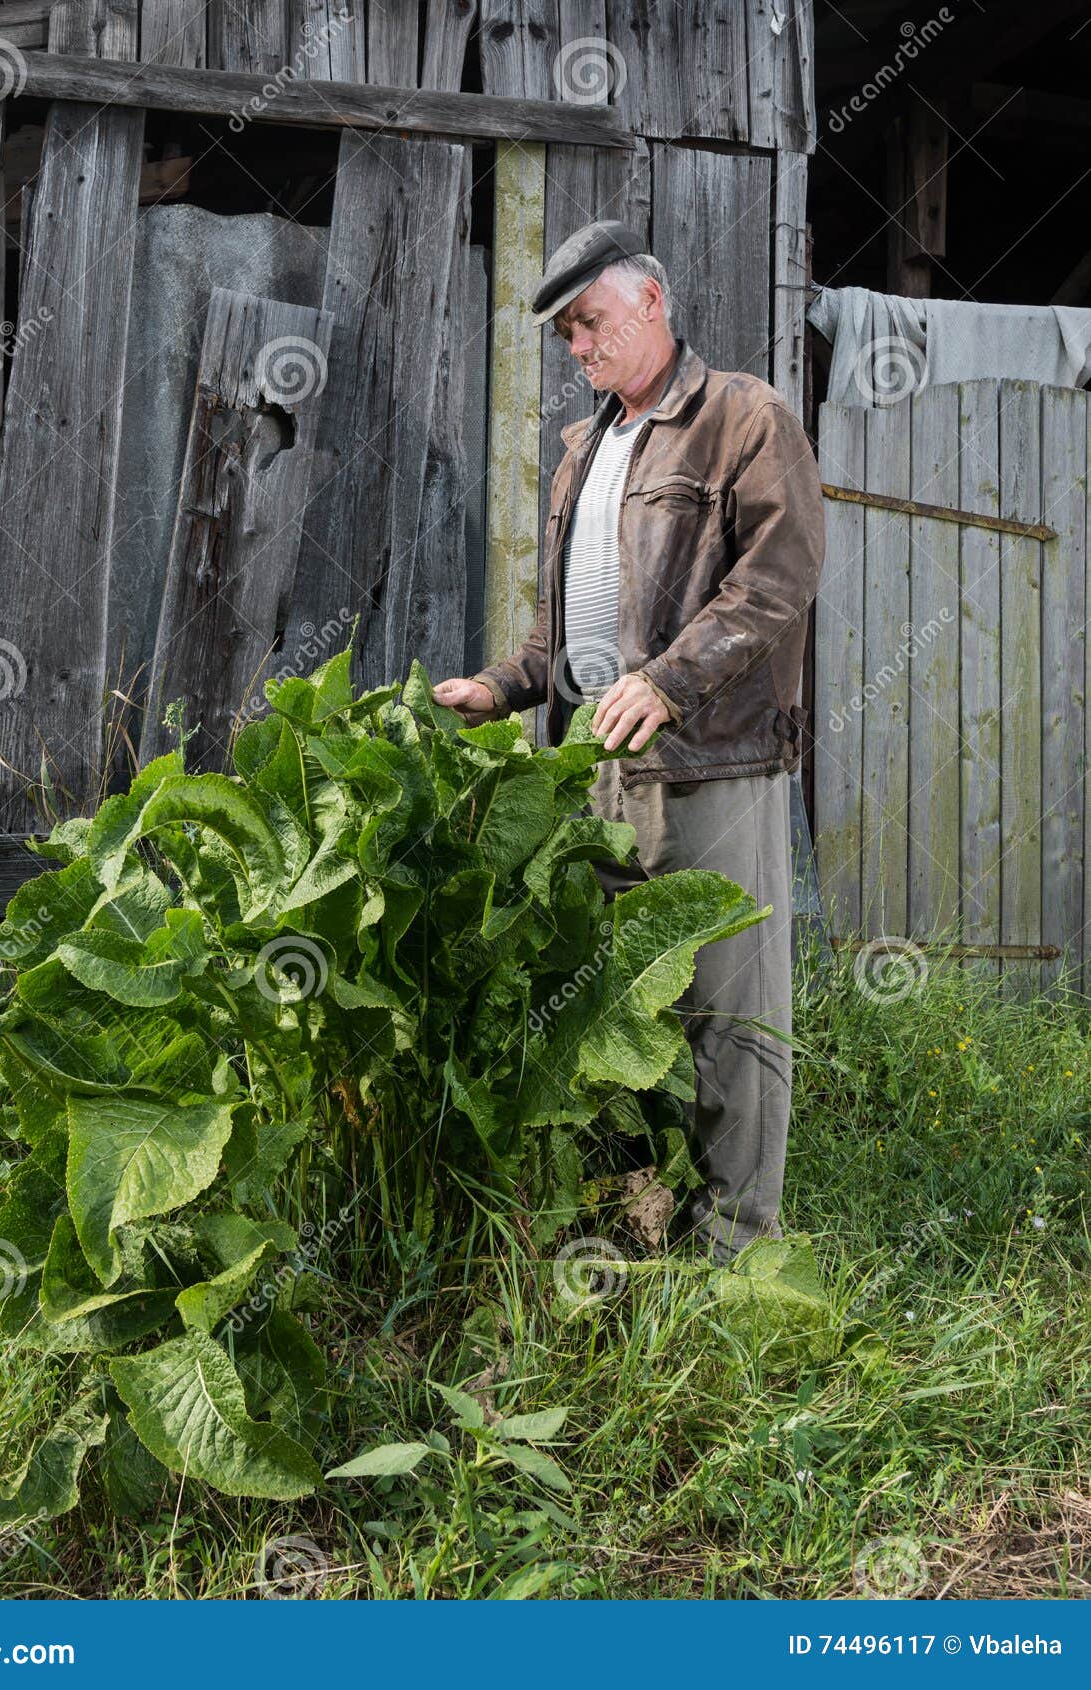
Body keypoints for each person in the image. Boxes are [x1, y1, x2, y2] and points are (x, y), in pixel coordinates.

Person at [433, 220, 825, 1263]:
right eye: (566, 335)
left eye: (590, 323)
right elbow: (569, 629)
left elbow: (774, 585)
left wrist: (667, 679)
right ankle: (635, 1221)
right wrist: (501, 686)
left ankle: (738, 1253)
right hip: (598, 773)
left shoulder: (744, 416)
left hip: (712, 763)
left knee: (730, 1017)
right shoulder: (586, 447)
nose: (580, 349)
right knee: (611, 1010)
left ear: (650, 302)